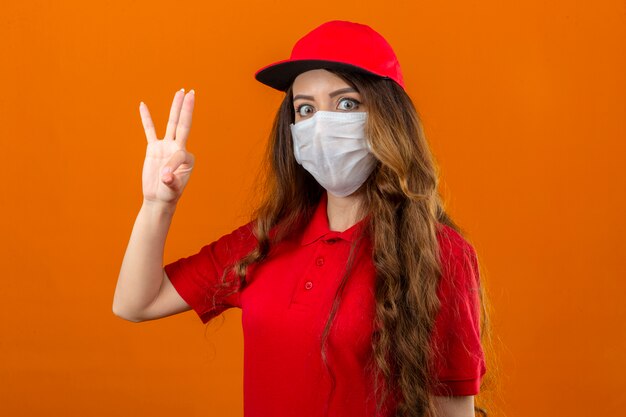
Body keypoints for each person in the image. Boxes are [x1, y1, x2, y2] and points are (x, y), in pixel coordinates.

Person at [113, 20, 488, 417]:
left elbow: (451, 411)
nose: (321, 125)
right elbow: (136, 302)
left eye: (346, 103)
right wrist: (158, 204)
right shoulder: (266, 240)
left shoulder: (440, 253)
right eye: (305, 108)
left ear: (388, 117)